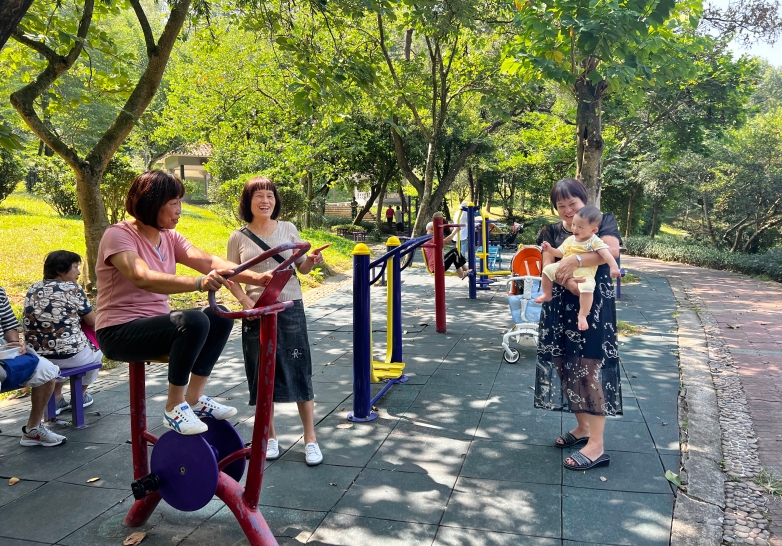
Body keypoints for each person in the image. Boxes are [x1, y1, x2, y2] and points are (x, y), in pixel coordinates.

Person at [95, 170, 273, 436]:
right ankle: (174, 406)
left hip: (155, 328)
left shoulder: (169, 236)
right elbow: (141, 277)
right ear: (152, 203)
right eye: (173, 203)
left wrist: (255, 277)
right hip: (118, 332)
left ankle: (194, 398)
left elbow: (209, 262)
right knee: (193, 321)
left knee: (218, 315)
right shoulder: (119, 235)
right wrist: (198, 283)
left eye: (180, 202)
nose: (179, 209)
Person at [227, 176, 328, 466]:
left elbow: (301, 268)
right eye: (258, 195)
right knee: (261, 372)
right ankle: (269, 436)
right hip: (257, 310)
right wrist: (245, 302)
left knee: (299, 368)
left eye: (270, 195)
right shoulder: (238, 237)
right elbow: (230, 276)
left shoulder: (288, 228)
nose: (265, 201)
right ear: (248, 202)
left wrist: (312, 261)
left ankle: (310, 438)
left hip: (290, 306)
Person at [534, 178, 622, 471]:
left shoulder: (601, 221)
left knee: (589, 369)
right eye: (561, 206)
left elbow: (611, 251)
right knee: (565, 366)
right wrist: (568, 281)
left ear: (584, 200)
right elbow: (546, 262)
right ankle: (582, 428)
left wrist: (577, 260)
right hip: (559, 306)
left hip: (591, 308)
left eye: (573, 203)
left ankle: (597, 445)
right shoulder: (551, 231)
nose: (568, 211)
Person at [23, 250, 103, 415]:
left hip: (38, 357)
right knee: (98, 348)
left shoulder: (33, 288)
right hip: (70, 356)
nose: (79, 272)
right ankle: (80, 396)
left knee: (60, 347)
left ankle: (57, 397)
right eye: (75, 267)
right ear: (60, 270)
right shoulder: (73, 289)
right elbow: (93, 321)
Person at [535, 206, 621, 330]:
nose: (575, 229)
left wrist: (614, 267)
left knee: (587, 289)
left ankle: (582, 315)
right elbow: (560, 253)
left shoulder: (594, 241)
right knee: (547, 270)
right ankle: (547, 294)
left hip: (584, 274)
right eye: (574, 225)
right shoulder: (571, 239)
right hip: (564, 268)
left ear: (593, 230)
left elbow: (606, 254)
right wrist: (550, 249)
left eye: (580, 227)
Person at [0, 285, 64, 447]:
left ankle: (33, 430)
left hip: (4, 353)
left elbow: (9, 326)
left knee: (46, 369)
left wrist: (15, 343)